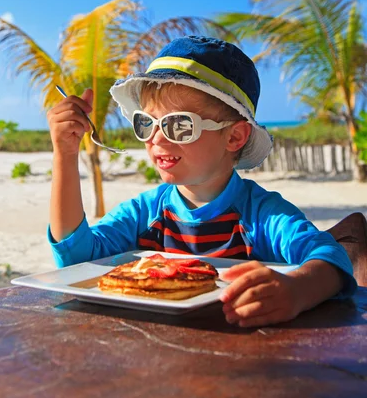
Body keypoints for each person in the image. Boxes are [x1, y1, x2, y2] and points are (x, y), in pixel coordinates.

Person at [47, 35, 357, 327]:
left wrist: (297, 291)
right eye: (146, 122)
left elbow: (331, 258)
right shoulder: (144, 213)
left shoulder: (261, 214)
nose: (155, 138)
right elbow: (78, 259)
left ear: (234, 136)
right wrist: (65, 155)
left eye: (179, 125)